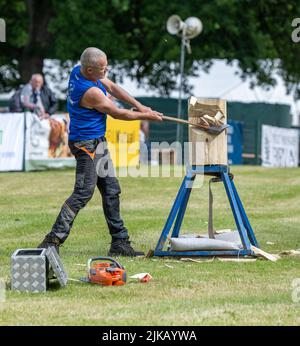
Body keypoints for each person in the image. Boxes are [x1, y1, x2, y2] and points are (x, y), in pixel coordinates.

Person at [38, 47, 162, 256]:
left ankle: (119, 243)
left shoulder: (79, 70)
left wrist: (140, 106)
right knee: (83, 193)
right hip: (86, 146)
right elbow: (116, 113)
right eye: (102, 69)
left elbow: (112, 86)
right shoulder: (90, 92)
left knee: (111, 190)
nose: (106, 72)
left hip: (97, 142)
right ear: (89, 71)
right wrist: (146, 117)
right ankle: (51, 242)